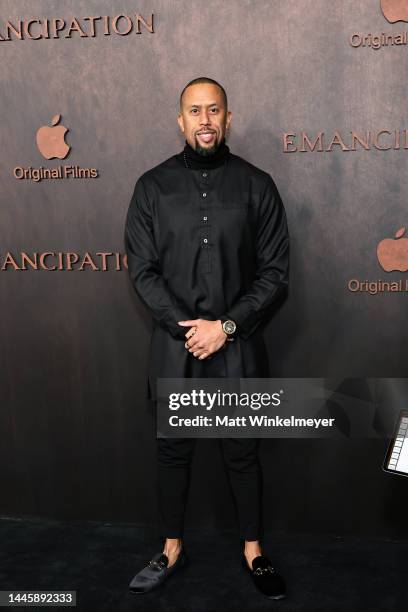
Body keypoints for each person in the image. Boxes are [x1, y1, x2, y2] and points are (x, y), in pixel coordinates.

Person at [124, 77, 290, 599]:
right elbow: (143, 270)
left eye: (213, 110)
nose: (204, 120)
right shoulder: (151, 187)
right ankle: (170, 548)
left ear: (228, 117)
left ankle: (253, 551)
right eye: (194, 111)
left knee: (242, 452)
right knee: (174, 452)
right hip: (177, 347)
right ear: (180, 120)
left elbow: (275, 273)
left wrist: (227, 326)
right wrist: (188, 328)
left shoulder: (257, 185)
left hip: (238, 344)